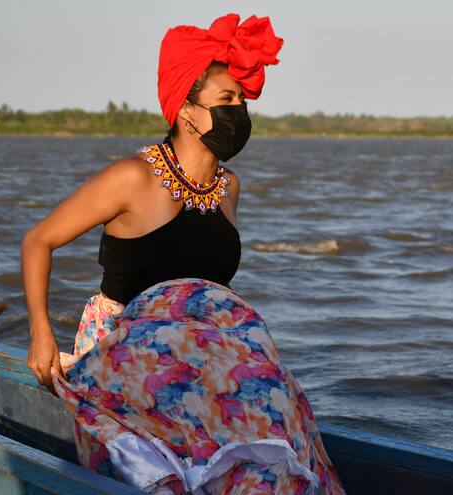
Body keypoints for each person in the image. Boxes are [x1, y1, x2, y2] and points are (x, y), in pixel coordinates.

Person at [21, 13, 345, 494]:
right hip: (125, 349)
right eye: (227, 100)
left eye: (242, 100)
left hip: (200, 352)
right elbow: (38, 240)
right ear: (188, 112)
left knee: (279, 402)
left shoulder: (228, 188)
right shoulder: (133, 177)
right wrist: (41, 335)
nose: (241, 112)